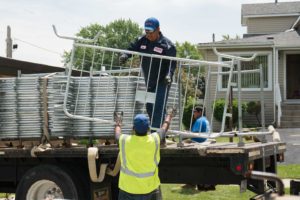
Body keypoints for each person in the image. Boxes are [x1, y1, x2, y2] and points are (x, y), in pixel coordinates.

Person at [119, 17, 177, 130]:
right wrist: (125, 55)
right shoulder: (141, 40)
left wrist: (169, 75)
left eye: (151, 32)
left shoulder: (167, 45)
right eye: (146, 31)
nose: (148, 34)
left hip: (163, 81)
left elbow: (172, 63)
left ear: (158, 29)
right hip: (150, 81)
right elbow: (130, 48)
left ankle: (156, 136)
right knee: (149, 106)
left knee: (158, 107)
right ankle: (160, 133)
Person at [114, 108, 176, 200]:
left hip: (127, 190)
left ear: (133, 128)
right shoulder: (154, 139)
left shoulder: (125, 141)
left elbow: (117, 134)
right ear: (148, 128)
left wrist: (118, 122)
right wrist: (169, 115)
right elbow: (164, 128)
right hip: (150, 189)